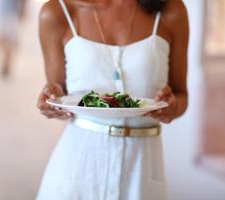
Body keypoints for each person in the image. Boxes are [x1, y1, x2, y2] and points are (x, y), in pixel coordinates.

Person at [36, 0, 189, 199]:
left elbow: (181, 95)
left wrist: (173, 106)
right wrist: (51, 99)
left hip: (142, 169)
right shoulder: (56, 12)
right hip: (76, 172)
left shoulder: (171, 10)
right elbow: (58, 92)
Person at [0, 0, 27, 78]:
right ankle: (5, 62)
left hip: (12, 13)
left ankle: (7, 63)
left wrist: (22, 10)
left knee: (10, 39)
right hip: (0, 10)